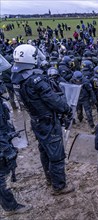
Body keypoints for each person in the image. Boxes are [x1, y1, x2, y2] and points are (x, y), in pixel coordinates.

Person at [11, 44, 75, 195]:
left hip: (36, 120)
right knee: (56, 155)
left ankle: (49, 178)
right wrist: (66, 109)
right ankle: (59, 186)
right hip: (48, 122)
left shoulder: (17, 77)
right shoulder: (36, 80)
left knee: (44, 151)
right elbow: (53, 100)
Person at [0, 79, 32, 216]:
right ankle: (10, 208)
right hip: (2, 145)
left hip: (4, 139)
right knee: (1, 177)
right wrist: (5, 148)